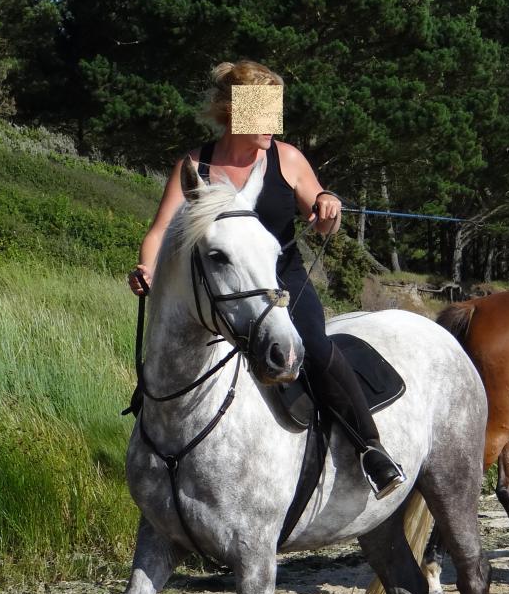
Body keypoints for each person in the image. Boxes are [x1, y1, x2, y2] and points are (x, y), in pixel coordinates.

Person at [128, 60, 406, 499]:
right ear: (234, 112)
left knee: (314, 345)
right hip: (220, 289)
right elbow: (161, 232)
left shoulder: (287, 158)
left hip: (281, 281)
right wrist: (147, 267)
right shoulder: (194, 166)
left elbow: (320, 207)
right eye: (262, 112)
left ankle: (371, 449)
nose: (271, 125)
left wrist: (328, 207)